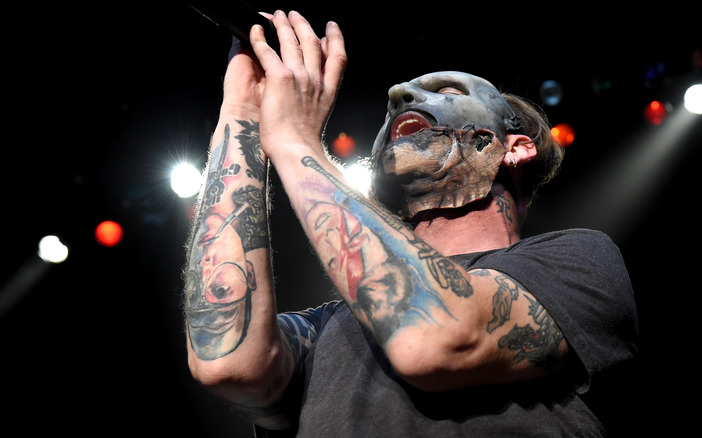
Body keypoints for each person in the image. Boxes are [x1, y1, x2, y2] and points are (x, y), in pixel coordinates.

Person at [183, 10, 639, 437]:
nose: (401, 96)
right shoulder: (331, 326)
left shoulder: (579, 261)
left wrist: (293, 139)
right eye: (394, 104)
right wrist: (241, 114)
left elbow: (433, 339)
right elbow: (225, 360)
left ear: (516, 147)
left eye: (448, 92)